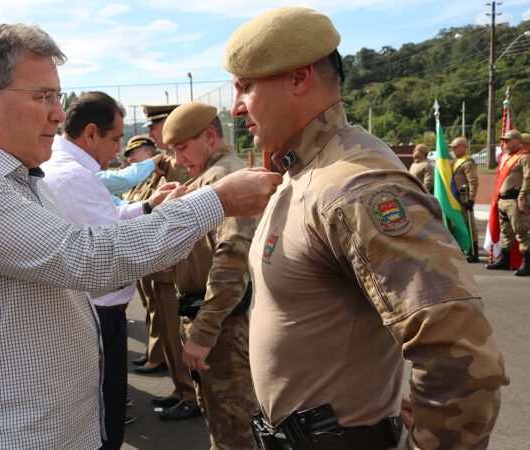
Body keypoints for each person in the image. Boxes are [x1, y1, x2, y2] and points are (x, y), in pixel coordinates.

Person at [0, 23, 282, 449]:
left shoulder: (24, 180)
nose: (57, 113)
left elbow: (84, 239)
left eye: (58, 97)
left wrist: (149, 211)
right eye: (43, 96)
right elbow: (86, 258)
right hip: (11, 433)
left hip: (52, 427)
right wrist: (215, 201)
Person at [225, 6, 508, 449]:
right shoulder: (304, 172)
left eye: (246, 87)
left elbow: (459, 352)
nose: (235, 106)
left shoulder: (354, 185)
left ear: (299, 79)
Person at [40, 91, 177, 449]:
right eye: (115, 139)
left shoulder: (67, 169)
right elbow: (115, 249)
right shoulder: (74, 177)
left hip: (93, 309)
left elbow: (107, 222)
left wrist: (147, 207)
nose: (118, 150)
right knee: (106, 418)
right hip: (100, 313)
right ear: (90, 134)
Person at [159, 101, 259, 448]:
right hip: (213, 319)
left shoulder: (223, 179)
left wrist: (203, 331)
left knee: (234, 430)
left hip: (223, 326)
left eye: (182, 148)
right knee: (223, 422)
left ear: (210, 136)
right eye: (172, 151)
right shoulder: (208, 178)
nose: (177, 159)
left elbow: (232, 258)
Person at [126, 104, 193, 378]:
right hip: (156, 258)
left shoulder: (177, 166)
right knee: (163, 321)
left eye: (155, 125)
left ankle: (187, 393)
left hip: (171, 263)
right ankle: (180, 388)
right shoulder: (164, 164)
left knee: (173, 327)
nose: (152, 131)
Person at [485, 129, 530, 276]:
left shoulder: (524, 157)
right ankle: (505, 260)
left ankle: (527, 263)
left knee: (521, 231)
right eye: (504, 140)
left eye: (508, 140)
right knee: (506, 232)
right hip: (503, 200)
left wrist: (522, 197)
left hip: (515, 199)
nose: (505, 142)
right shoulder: (505, 157)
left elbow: (528, 179)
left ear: (518, 141)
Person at [450, 137, 480, 263]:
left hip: (465, 198)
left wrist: (471, 199)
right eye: (452, 148)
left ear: (463, 147)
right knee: (458, 224)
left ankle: (474, 252)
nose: (453, 150)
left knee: (469, 225)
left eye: (455, 147)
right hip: (455, 198)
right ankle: (461, 248)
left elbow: (473, 181)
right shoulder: (455, 161)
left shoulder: (467, 162)